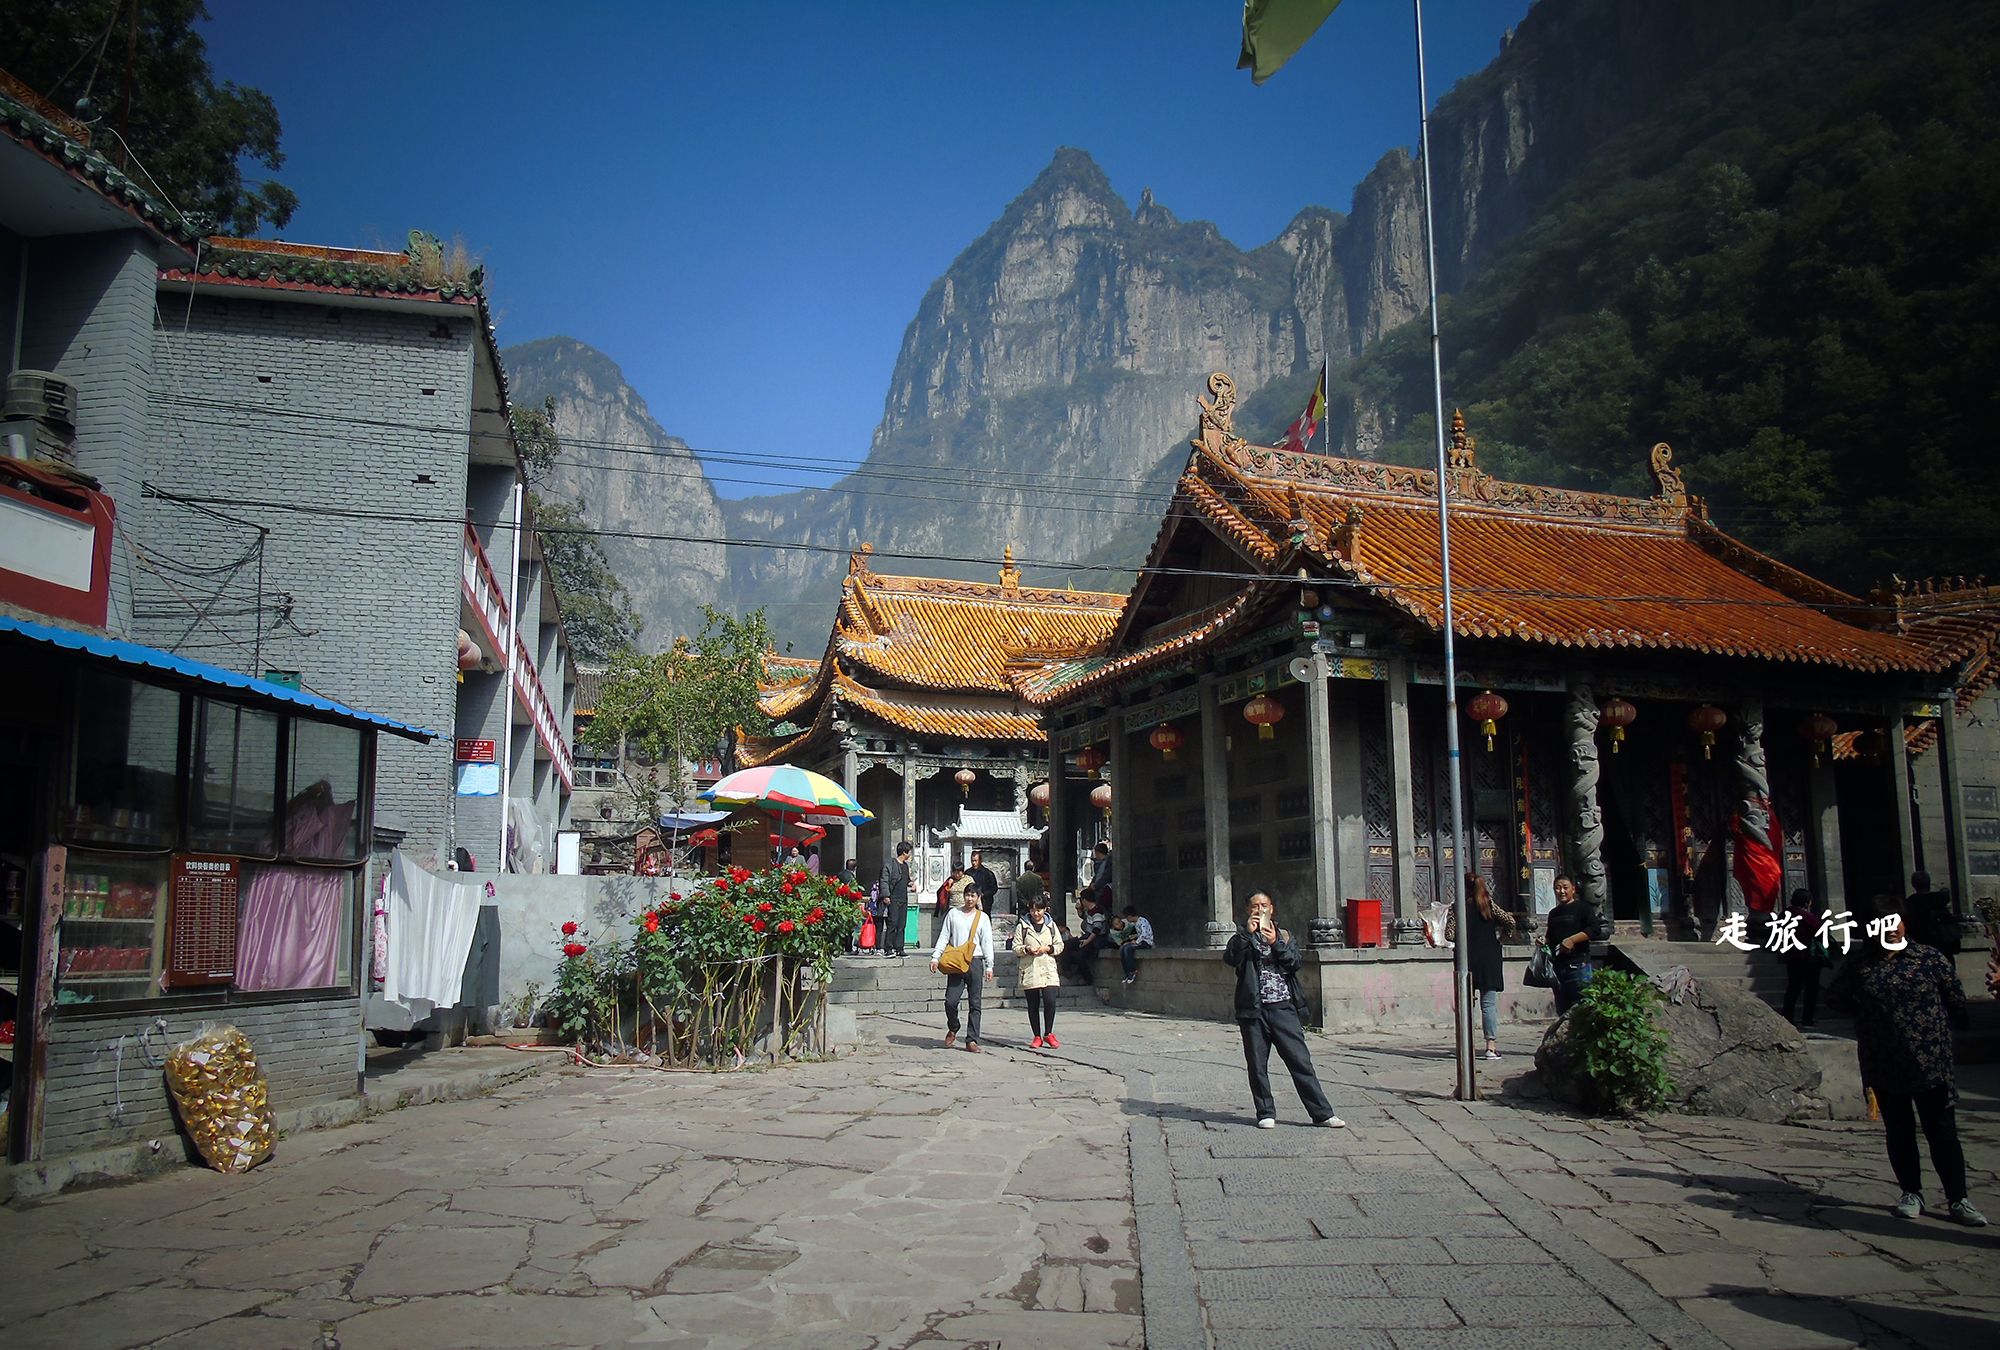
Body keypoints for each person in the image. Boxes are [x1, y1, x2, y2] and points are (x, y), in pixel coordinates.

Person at [1830, 899, 1986, 1226]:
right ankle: (1911, 1192)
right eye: (1882, 922)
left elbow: (1955, 1000)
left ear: (1905, 923)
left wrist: (1943, 1030)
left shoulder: (1929, 959)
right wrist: (1870, 1020)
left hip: (1930, 1061)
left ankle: (1959, 1198)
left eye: (1895, 920)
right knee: (1899, 1130)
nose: (1890, 927)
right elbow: (1836, 998)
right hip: (1885, 1060)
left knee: (1941, 1130)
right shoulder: (1861, 965)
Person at [1224, 893, 1342, 1129]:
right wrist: (1247, 934)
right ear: (1249, 910)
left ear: (1272, 909)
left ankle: (1322, 1113)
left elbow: (1293, 963)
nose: (1260, 909)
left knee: (1300, 1061)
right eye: (1255, 906)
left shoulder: (1285, 935)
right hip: (1253, 1010)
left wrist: (1275, 942)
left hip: (1283, 1008)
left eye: (1264, 905)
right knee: (1257, 1064)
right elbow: (1230, 958)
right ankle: (1265, 1112)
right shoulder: (1241, 937)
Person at [930, 881, 994, 1052]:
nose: (969, 898)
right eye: (967, 895)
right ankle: (953, 1026)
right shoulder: (953, 914)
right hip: (957, 961)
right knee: (951, 1001)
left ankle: (972, 1039)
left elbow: (987, 942)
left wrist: (989, 965)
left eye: (973, 895)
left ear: (978, 897)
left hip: (975, 961)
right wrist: (936, 957)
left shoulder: (983, 918)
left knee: (975, 1002)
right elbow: (944, 936)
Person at [1016, 892, 1065, 1048]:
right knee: (1033, 1004)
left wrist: (1047, 948)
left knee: (1050, 1000)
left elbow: (1060, 945)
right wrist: (1027, 948)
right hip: (1030, 968)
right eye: (1032, 910)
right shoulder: (1022, 926)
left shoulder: (1051, 926)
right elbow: (1015, 947)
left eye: (1039, 910)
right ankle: (1037, 1035)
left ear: (1045, 909)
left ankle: (1048, 1033)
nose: (1035, 913)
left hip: (1047, 967)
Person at [1543, 875, 1597, 1015]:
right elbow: (1550, 937)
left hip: (1578, 966)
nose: (1561, 891)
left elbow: (1594, 929)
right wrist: (1544, 941)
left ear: (1573, 889)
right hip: (1559, 969)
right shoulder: (1553, 914)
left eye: (1565, 887)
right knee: (1563, 1012)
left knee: (1583, 1009)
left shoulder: (1583, 908)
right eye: (1557, 888)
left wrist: (1573, 939)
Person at [1466, 876, 1507, 1060]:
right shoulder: (1489, 905)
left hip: (1467, 958)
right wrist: (1501, 938)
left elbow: (1450, 934)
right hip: (1490, 958)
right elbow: (1510, 921)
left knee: (1466, 1003)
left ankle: (1466, 1044)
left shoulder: (1458, 907)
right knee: (1488, 1004)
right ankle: (1490, 1047)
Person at [1781, 887, 1827, 1028]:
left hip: (1791, 956)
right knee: (1810, 989)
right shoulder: (1807, 917)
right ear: (1807, 902)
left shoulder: (1784, 914)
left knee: (1793, 988)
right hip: (1808, 957)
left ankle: (1788, 1017)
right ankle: (1807, 1019)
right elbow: (1820, 931)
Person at [1903, 871, 1961, 956]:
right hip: (1943, 948)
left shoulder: (1911, 904)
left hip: (1921, 948)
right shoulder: (1939, 902)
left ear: (1913, 884)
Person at [878, 841, 913, 959]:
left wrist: (911, 883)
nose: (910, 854)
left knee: (902, 924)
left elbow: (906, 879)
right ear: (904, 852)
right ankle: (888, 948)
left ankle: (900, 948)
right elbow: (884, 880)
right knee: (892, 923)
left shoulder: (905, 866)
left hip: (903, 898)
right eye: (909, 852)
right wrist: (886, 895)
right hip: (893, 898)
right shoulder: (890, 864)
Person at [1118, 905, 1154, 984]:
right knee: (1122, 948)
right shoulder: (1136, 923)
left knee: (1128, 949)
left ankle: (1132, 971)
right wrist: (1134, 936)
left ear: (1130, 916)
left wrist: (1136, 942)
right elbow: (1140, 933)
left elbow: (1144, 934)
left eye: (1127, 918)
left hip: (1146, 942)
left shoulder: (1142, 921)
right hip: (1140, 940)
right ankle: (1127, 972)